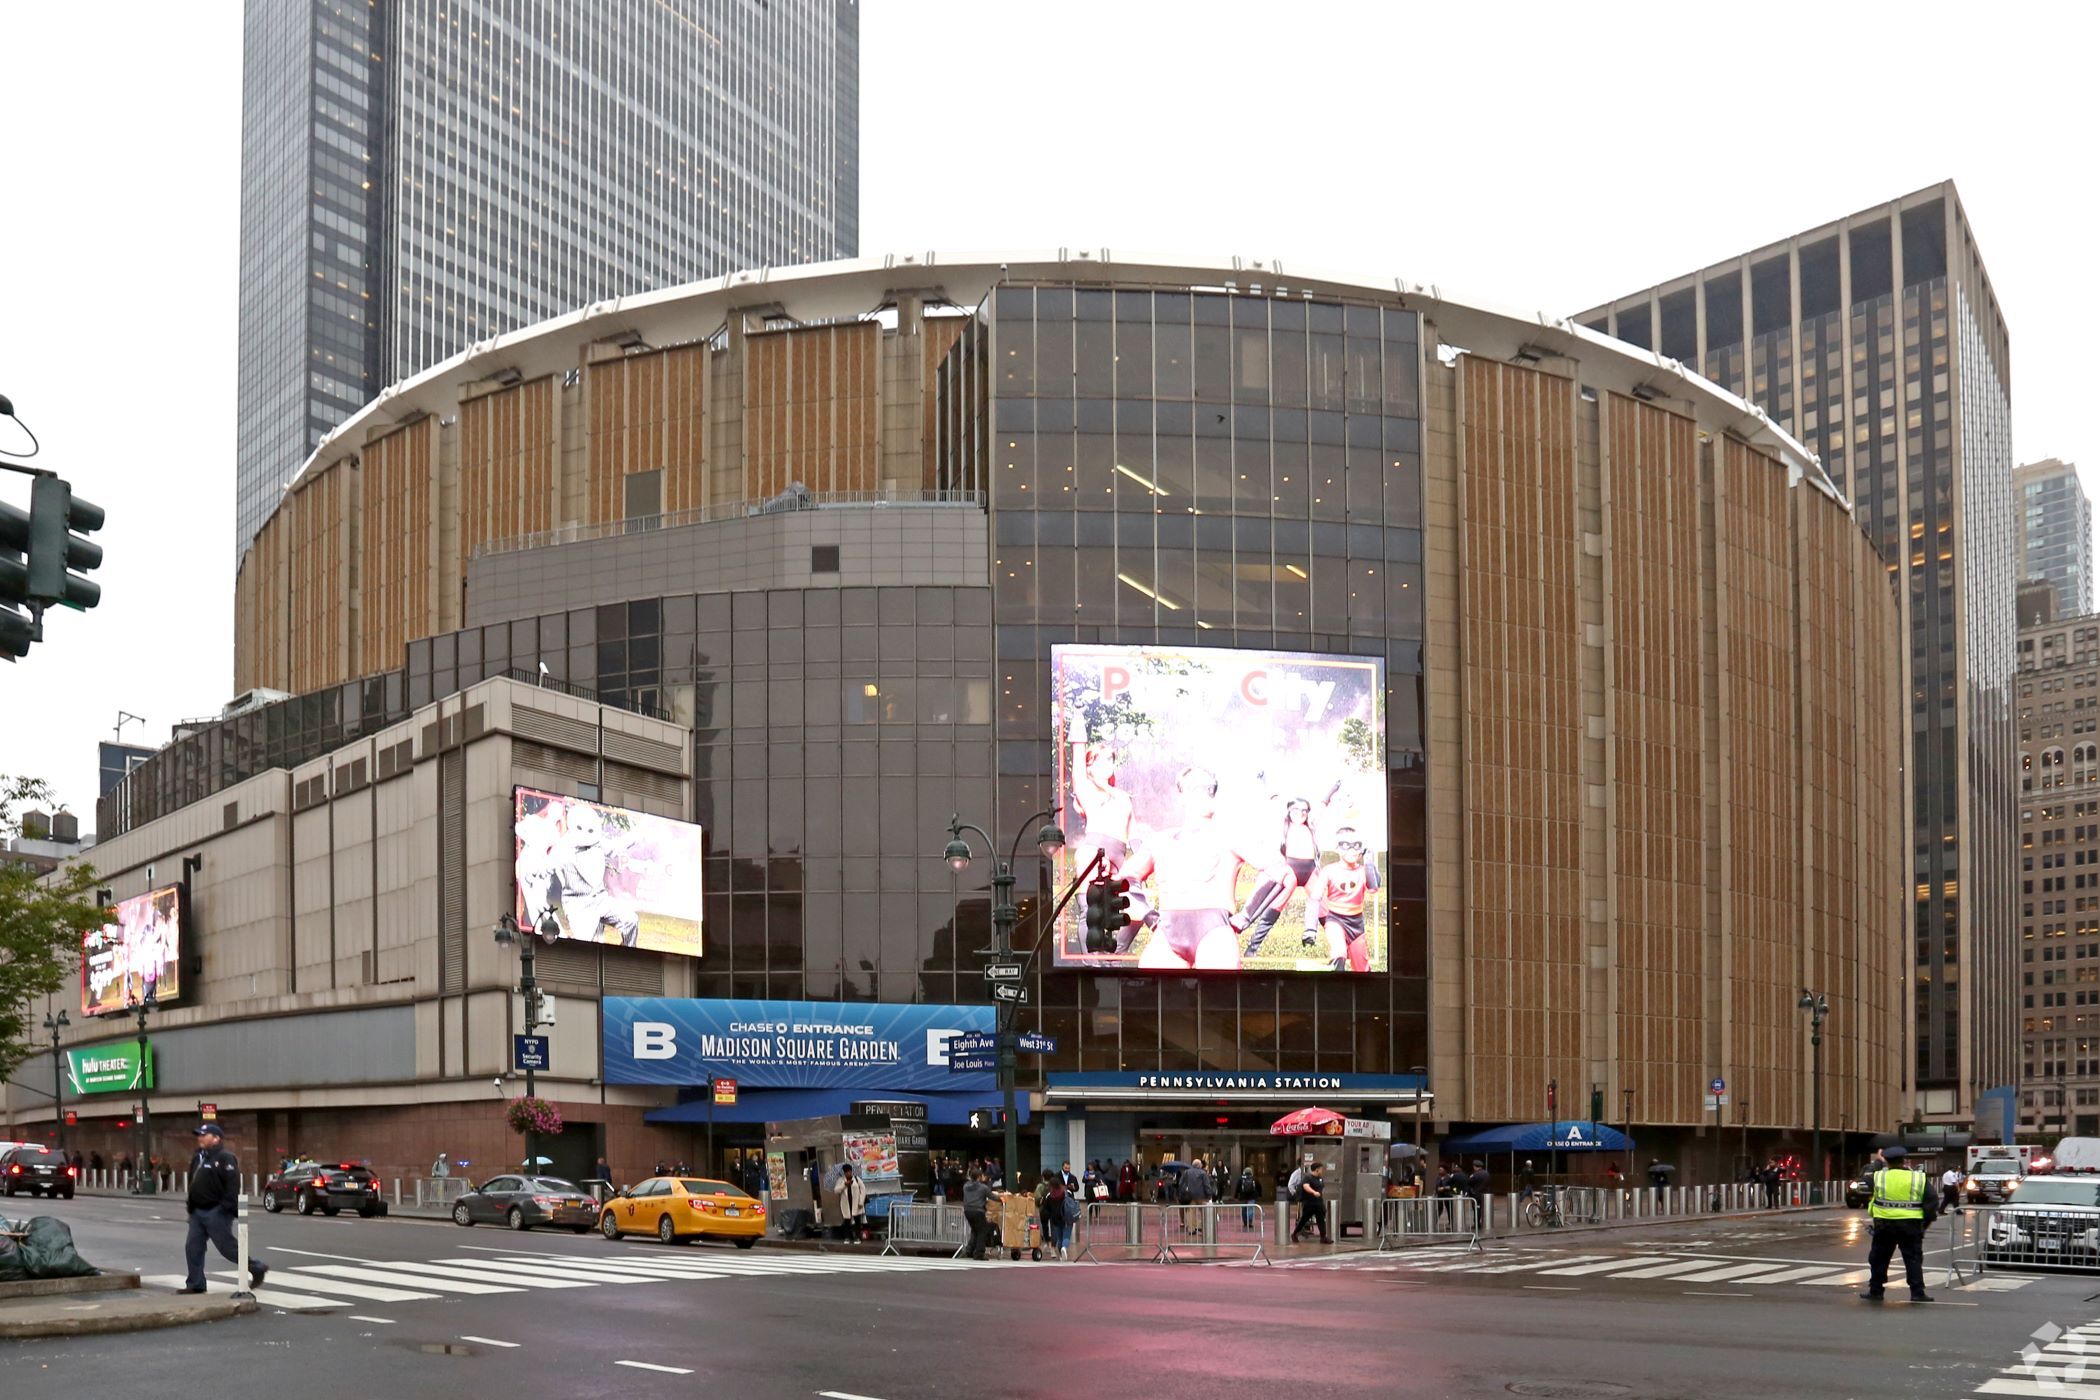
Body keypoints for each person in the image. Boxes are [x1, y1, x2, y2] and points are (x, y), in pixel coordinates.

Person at [1117, 767, 1265, 970]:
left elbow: (1280, 873)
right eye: (1196, 788)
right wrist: (1149, 916)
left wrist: (1245, 917)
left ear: (1213, 794)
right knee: (1156, 996)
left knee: (1216, 997)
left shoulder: (1229, 837)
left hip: (1213, 929)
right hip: (1170, 930)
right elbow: (1124, 878)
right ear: (1183, 796)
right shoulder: (1161, 840)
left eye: (1208, 789)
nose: (1202, 794)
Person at [181, 1123, 266, 1295]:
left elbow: (232, 1184)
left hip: (216, 1211)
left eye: (204, 1135)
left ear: (216, 1138)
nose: (200, 1138)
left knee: (227, 1248)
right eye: (199, 1135)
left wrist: (226, 1207)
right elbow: (192, 1180)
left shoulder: (225, 1157)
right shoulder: (198, 1156)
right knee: (193, 1247)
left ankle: (256, 1267)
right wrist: (191, 1206)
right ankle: (195, 1284)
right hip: (197, 1211)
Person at [1860, 1144, 1935, 1303]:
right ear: (1904, 1161)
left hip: (1884, 1225)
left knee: (1879, 1258)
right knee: (1913, 1259)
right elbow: (1932, 1201)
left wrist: (1877, 1161)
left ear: (1886, 1161)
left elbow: (1865, 1176)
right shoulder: (1918, 1177)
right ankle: (1917, 1293)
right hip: (1911, 1225)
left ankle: (1876, 1291)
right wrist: (1924, 1224)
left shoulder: (1879, 1176)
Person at [1303, 827, 1382, 972]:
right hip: (1335, 920)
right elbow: (1314, 899)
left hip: (1357, 923)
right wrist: (1310, 929)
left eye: (1356, 845)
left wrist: (1369, 861)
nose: (1352, 850)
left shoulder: (1363, 871)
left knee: (1361, 968)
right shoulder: (1329, 871)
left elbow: (1373, 887)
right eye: (1346, 845)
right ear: (1338, 848)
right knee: (1339, 953)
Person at [1292, 1161, 1330, 1243]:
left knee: (1321, 1220)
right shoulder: (1308, 1177)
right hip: (1309, 1203)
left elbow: (1320, 1188)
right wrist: (1313, 1192)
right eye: (1321, 1169)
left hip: (1318, 1202)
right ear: (1317, 1170)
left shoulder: (1320, 1178)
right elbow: (1306, 1186)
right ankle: (1294, 1234)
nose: (1322, 1171)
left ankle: (1323, 1237)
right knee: (1304, 1219)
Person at [963, 1169, 994, 1260]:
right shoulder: (983, 1187)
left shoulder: (965, 1186)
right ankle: (979, 1253)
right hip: (978, 1211)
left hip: (967, 1211)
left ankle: (969, 1250)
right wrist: (1002, 1198)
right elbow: (992, 1196)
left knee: (975, 1230)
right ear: (979, 1177)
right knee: (982, 1231)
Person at [838, 1163, 868, 1242]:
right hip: (846, 1204)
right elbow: (836, 1190)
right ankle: (848, 1237)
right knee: (847, 1221)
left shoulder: (857, 1179)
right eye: (846, 1172)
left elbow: (863, 1190)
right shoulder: (841, 1180)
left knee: (857, 1221)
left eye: (849, 1171)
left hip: (856, 1203)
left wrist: (861, 1201)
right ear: (844, 1173)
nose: (848, 1173)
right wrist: (844, 1185)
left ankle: (858, 1237)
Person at [1466, 1161, 1492, 1230]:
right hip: (1485, 1194)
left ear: (1474, 1166)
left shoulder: (1475, 1174)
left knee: (1477, 1210)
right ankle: (1487, 1223)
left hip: (1476, 1195)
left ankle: (1477, 1224)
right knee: (1485, 1209)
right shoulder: (1486, 1173)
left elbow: (1469, 1182)